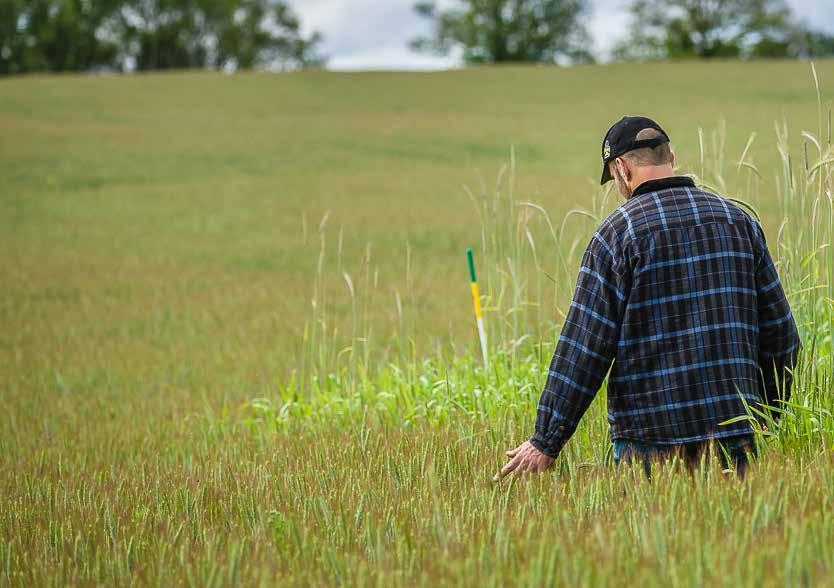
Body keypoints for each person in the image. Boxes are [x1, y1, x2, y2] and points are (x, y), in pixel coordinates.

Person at [495, 116, 801, 480]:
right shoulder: (739, 223)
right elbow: (783, 337)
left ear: (622, 170)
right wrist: (763, 416)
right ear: (671, 156)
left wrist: (546, 441)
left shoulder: (616, 236)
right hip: (736, 432)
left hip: (649, 444)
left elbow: (584, 350)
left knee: (651, 536)